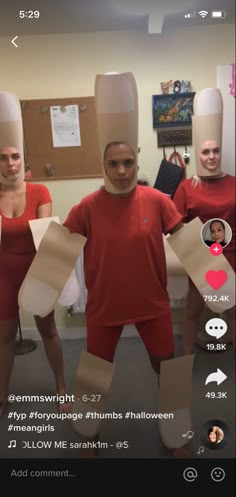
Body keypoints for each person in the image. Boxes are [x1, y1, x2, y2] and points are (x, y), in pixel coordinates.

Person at [64, 140, 190, 457]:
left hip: (152, 304)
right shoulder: (87, 206)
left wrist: (216, 277)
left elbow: (185, 240)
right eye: (113, 164)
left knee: (167, 366)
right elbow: (60, 248)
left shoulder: (157, 201)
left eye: (128, 163)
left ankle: (176, 434)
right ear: (103, 166)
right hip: (105, 306)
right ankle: (89, 438)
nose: (121, 171)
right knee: (95, 374)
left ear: (136, 162)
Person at [0, 93, 70, 417]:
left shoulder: (40, 191)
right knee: (4, 336)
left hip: (37, 269)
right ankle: (2, 394)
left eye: (15, 157)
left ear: (23, 161)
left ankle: (61, 387)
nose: (10, 163)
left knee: (48, 330)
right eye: (2, 158)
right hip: (5, 273)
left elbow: (46, 237)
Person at [173, 88, 235, 354]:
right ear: (198, 155)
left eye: (215, 151)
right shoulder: (187, 188)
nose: (211, 157)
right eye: (205, 152)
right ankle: (186, 357)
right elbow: (175, 226)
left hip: (231, 256)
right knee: (193, 312)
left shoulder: (234, 184)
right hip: (199, 258)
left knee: (232, 313)